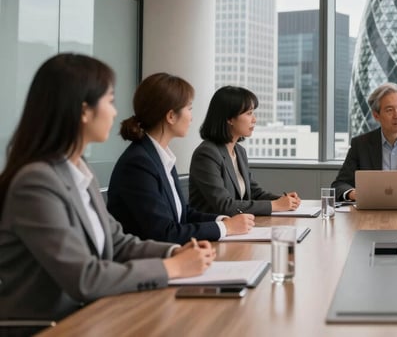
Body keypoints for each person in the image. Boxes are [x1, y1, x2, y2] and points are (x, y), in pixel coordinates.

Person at [0, 54, 214, 322]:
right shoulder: (35, 183)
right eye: (110, 101)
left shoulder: (79, 170)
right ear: (84, 111)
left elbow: (118, 242)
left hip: (92, 316)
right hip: (52, 327)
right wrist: (170, 267)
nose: (115, 112)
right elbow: (85, 278)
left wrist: (173, 252)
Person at [108, 73, 255, 244]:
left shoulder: (160, 157)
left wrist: (222, 221)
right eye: (189, 108)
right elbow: (164, 232)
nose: (191, 116)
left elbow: (184, 214)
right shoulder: (139, 164)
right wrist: (226, 228)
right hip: (149, 263)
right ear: (171, 116)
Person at [189, 86, 301, 215]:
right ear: (229, 118)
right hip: (213, 230)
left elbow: (254, 193)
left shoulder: (239, 151)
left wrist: (283, 201)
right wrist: (275, 205)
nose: (254, 119)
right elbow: (224, 205)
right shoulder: (207, 154)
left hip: (237, 228)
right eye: (249, 113)